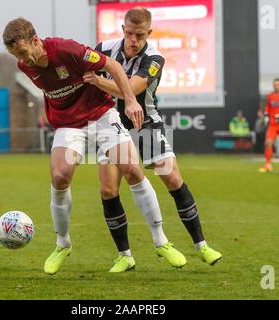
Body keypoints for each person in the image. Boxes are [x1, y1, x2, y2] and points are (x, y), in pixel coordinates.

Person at [3, 17, 186, 275]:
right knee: (59, 176)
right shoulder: (25, 65)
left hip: (101, 115)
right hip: (68, 124)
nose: (21, 59)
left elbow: (112, 64)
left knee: (133, 170)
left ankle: (161, 241)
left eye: (22, 52)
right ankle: (62, 244)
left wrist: (131, 101)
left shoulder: (67, 50)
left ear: (36, 41)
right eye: (15, 54)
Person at [83, 7, 222, 272]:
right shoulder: (104, 48)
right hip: (110, 124)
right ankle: (125, 255)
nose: (134, 40)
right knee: (108, 189)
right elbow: (84, 72)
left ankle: (201, 245)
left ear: (150, 33)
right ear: (123, 29)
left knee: (172, 179)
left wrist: (97, 82)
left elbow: (132, 90)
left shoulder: (155, 57)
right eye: (130, 33)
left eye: (140, 35)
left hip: (145, 122)